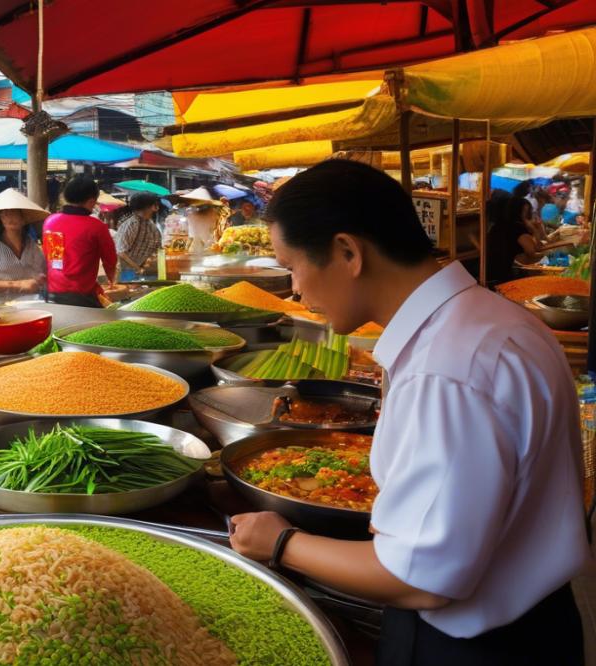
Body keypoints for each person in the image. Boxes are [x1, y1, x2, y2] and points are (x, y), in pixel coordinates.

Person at [230, 160, 588, 666]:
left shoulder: (445, 368)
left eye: (292, 266)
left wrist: (281, 542)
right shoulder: (494, 319)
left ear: (348, 252)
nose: (296, 292)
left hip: (473, 647)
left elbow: (420, 578)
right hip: (540, 622)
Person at [42, 175, 117, 308]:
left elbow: (52, 256)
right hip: (82, 296)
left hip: (51, 293)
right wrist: (111, 281)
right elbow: (110, 260)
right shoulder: (96, 226)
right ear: (91, 201)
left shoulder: (50, 221)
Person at [0, 188, 48, 305]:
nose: (8, 216)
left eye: (14, 212)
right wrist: (17, 285)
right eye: (4, 213)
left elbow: (40, 271)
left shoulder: (30, 244)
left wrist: (40, 278)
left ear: (23, 218)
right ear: (0, 218)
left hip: (29, 303)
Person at [486, 196, 575, 287]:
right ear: (517, 212)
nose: (528, 216)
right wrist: (536, 231)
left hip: (492, 271)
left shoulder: (499, 225)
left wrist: (539, 231)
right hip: (504, 276)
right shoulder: (516, 228)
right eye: (525, 212)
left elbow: (537, 247)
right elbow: (534, 251)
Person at [114, 192, 162, 281]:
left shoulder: (150, 225)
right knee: (130, 293)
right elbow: (121, 252)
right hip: (127, 272)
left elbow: (157, 248)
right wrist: (138, 268)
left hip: (143, 271)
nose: (157, 207)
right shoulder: (131, 224)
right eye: (155, 204)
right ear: (147, 206)